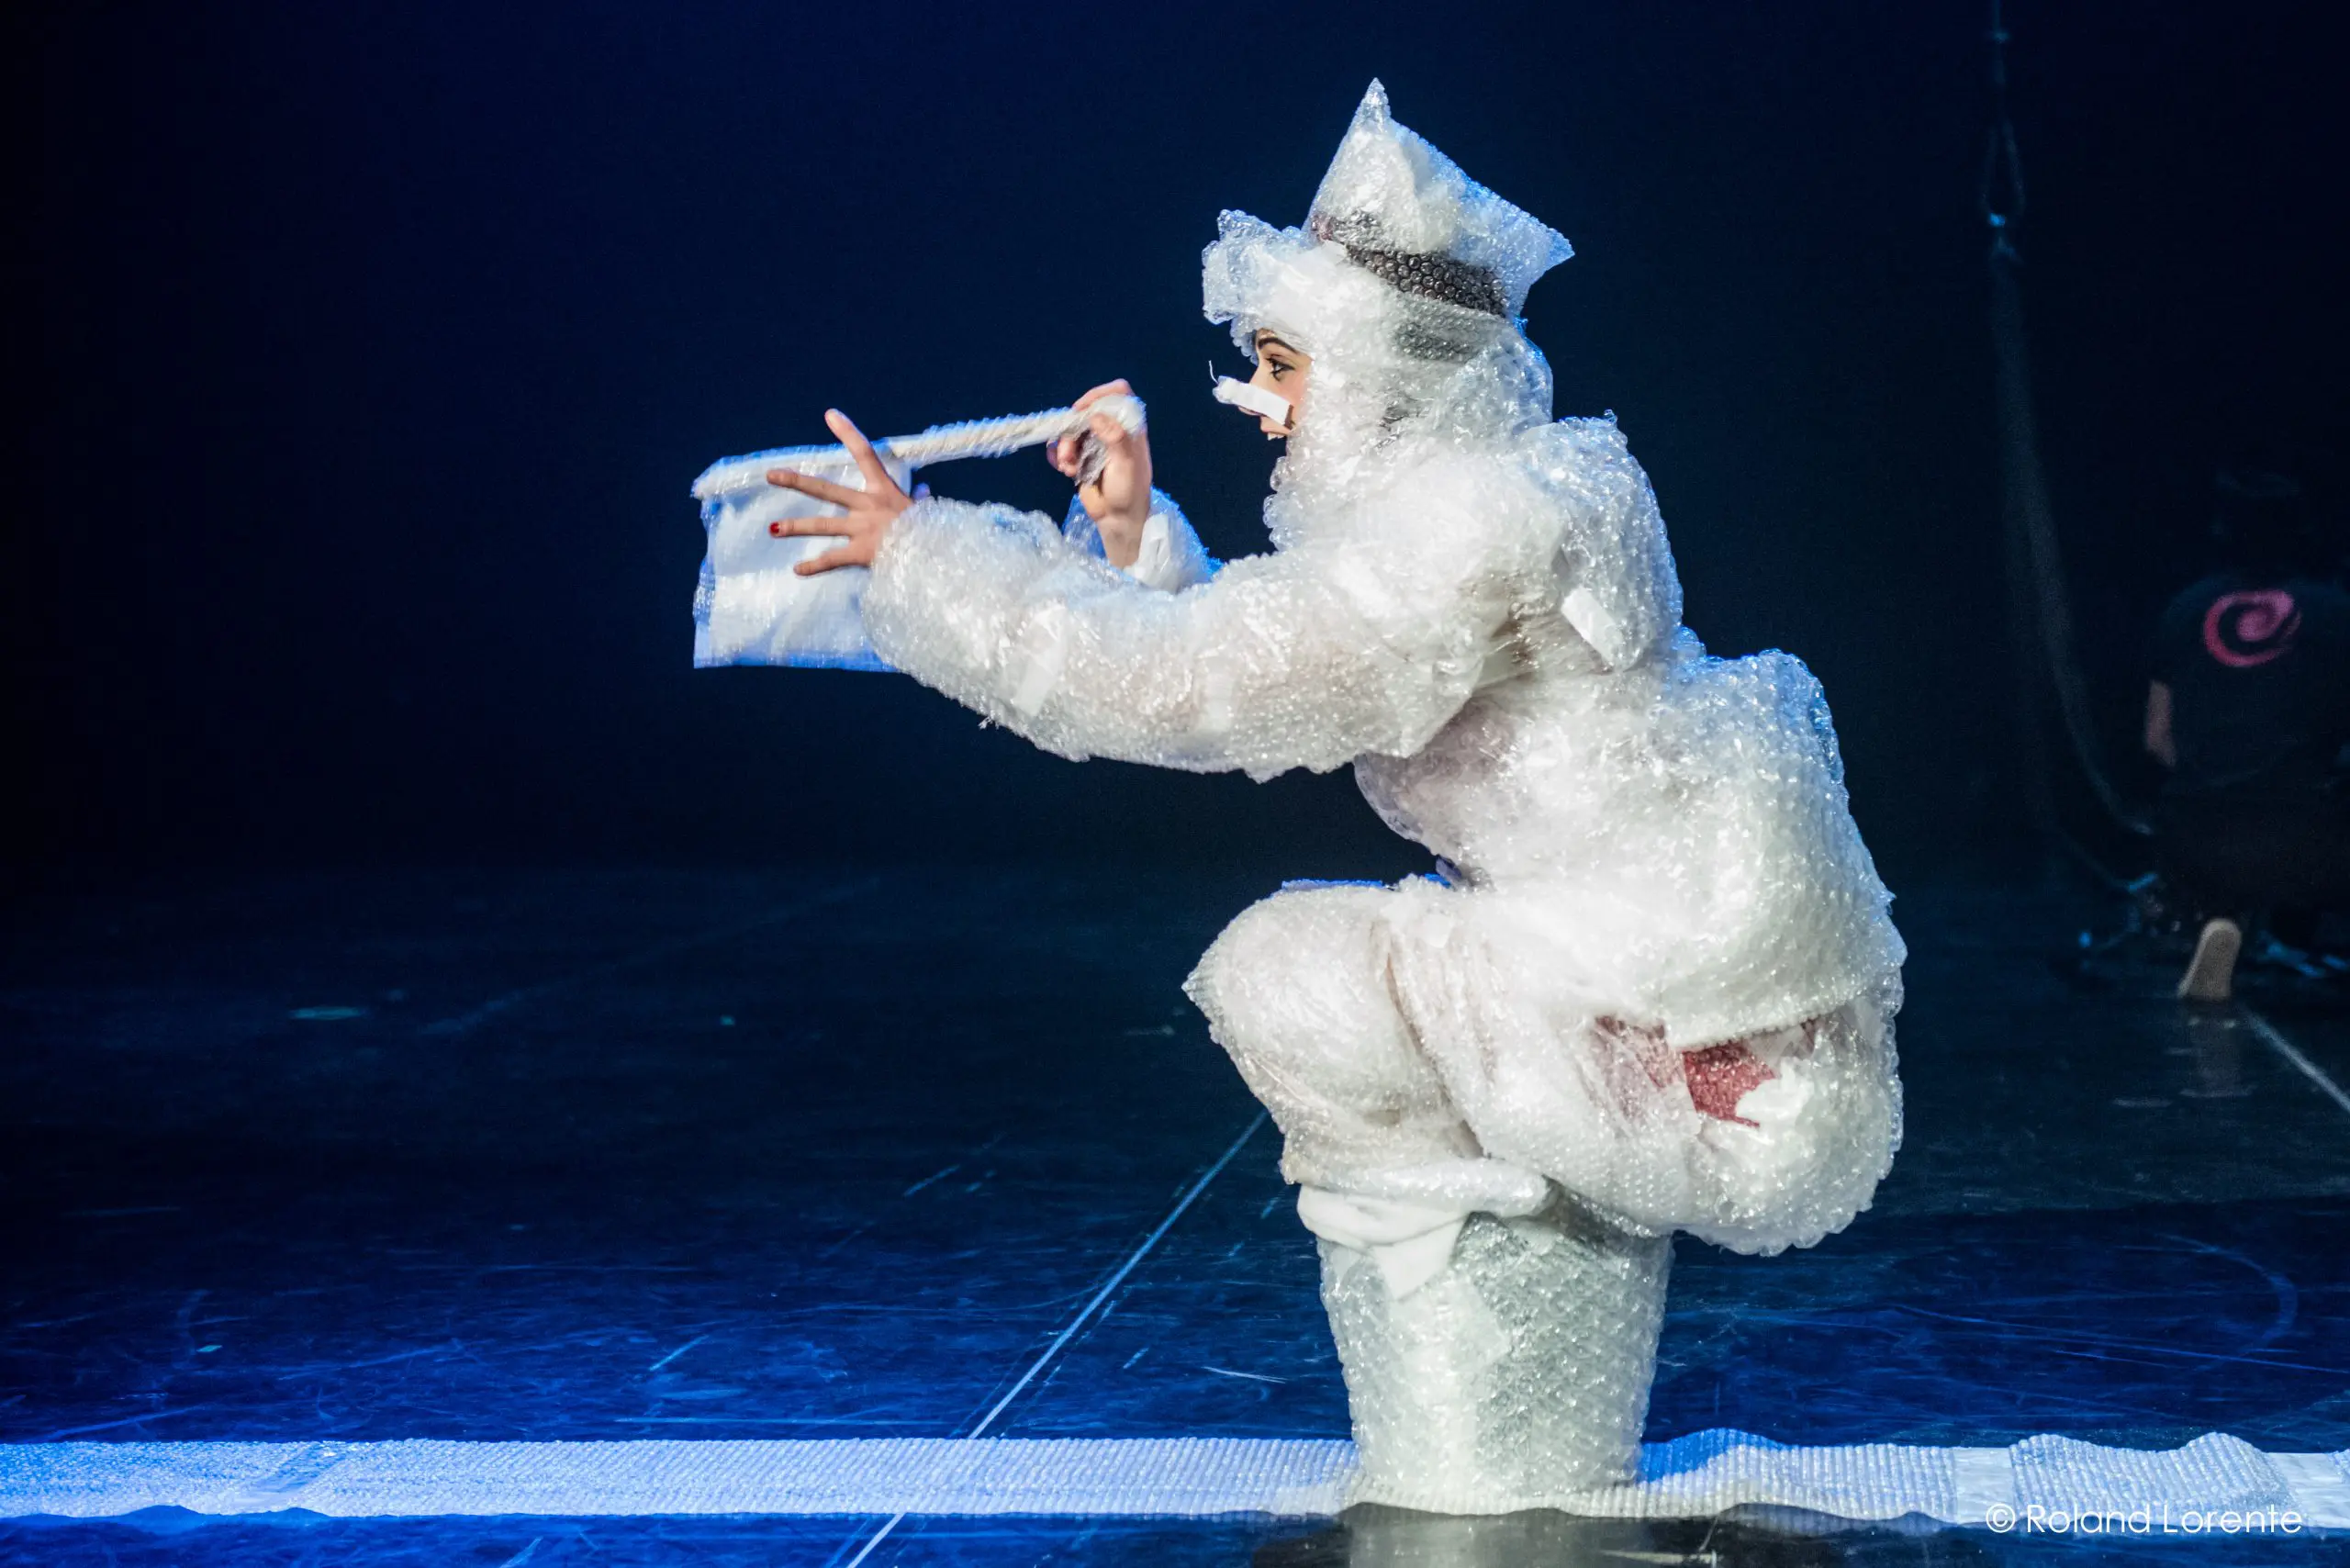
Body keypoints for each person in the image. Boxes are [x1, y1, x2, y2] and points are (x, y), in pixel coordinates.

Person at [764, 84, 1904, 1513]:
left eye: (1288, 364)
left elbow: (1199, 690)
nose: (1261, 401)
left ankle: (1489, 1459)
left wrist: (921, 558)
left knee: (1287, 974)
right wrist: (1129, 536)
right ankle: (1484, 1445)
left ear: (1385, 373)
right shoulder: (1531, 478)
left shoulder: (1477, 523)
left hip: (1673, 1033)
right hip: (1665, 985)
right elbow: (1285, 639)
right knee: (1319, 969)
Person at [2145, 468, 2350, 1002]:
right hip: (2312, 846)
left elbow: (2156, 739)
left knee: (2221, 838)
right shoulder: (2336, 613)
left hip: (2197, 842)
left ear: (2221, 532)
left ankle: (2221, 915)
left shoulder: (2185, 609)